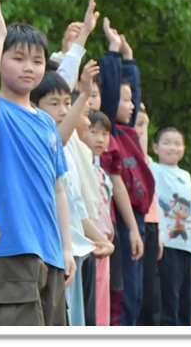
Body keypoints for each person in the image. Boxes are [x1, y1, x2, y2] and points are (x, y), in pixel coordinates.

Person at [0, 0, 75, 326]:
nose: (28, 67)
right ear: (1, 61)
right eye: (18, 58)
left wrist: (67, 248)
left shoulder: (47, 123)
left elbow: (58, 189)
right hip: (9, 250)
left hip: (50, 253)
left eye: (37, 60)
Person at [32, 67, 114, 326]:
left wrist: (101, 239)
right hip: (48, 252)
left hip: (74, 253)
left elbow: (75, 207)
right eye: (54, 104)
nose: (64, 111)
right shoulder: (43, 142)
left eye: (68, 103)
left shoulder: (69, 151)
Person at [99, 20, 154, 326]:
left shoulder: (128, 132)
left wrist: (129, 59)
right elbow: (111, 93)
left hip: (138, 219)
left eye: (133, 99)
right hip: (122, 220)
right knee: (122, 299)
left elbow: (129, 92)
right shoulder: (110, 133)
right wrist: (112, 52)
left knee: (136, 296)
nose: (132, 105)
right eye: (125, 100)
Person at [151, 127, 191, 326]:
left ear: (184, 148)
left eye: (177, 143)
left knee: (185, 303)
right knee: (168, 300)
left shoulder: (186, 175)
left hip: (187, 246)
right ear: (155, 147)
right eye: (166, 142)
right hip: (166, 245)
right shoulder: (154, 169)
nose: (172, 147)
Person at [82, 110, 117, 326]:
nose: (100, 139)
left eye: (105, 134)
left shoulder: (103, 172)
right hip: (87, 240)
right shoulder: (80, 166)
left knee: (102, 298)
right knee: (88, 300)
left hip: (104, 241)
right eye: (93, 132)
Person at [135, 104, 162, 326]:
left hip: (152, 224)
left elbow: (155, 200)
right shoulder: (126, 156)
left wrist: (160, 233)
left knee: (151, 283)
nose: (142, 130)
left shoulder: (149, 163)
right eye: (139, 124)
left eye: (145, 126)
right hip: (135, 222)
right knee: (138, 283)